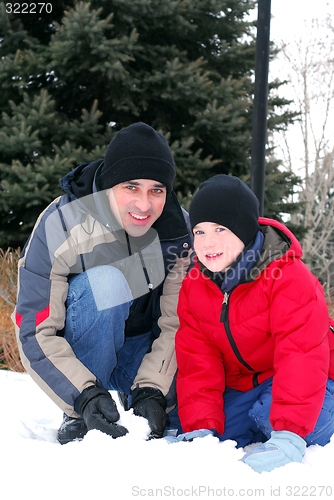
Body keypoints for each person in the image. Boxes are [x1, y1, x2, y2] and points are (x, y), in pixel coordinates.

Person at [13, 122, 193, 444]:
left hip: (141, 351)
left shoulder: (179, 234)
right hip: (82, 347)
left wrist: (154, 388)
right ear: (110, 184)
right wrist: (81, 396)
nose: (144, 205)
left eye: (157, 190)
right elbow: (33, 328)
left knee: (185, 416)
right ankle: (83, 413)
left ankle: (135, 397)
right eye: (131, 187)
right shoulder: (62, 223)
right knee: (106, 284)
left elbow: (180, 323)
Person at [173, 174, 334, 473]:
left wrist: (289, 434)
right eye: (200, 232)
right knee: (220, 432)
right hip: (247, 384)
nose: (208, 243)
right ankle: (263, 418)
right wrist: (201, 429)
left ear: (244, 229)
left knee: (297, 423)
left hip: (311, 376)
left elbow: (301, 354)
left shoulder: (287, 277)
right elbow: (197, 363)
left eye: (220, 229)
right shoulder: (195, 286)